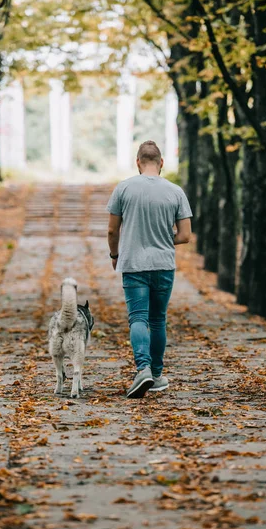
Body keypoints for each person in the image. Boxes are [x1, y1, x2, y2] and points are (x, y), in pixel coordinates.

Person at [107, 140, 192, 399]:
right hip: (164, 264)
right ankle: (156, 375)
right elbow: (185, 235)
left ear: (138, 162)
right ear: (162, 162)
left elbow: (112, 229)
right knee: (158, 319)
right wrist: (166, 240)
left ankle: (142, 368)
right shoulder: (175, 191)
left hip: (133, 264)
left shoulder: (124, 188)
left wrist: (115, 254)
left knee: (138, 318)